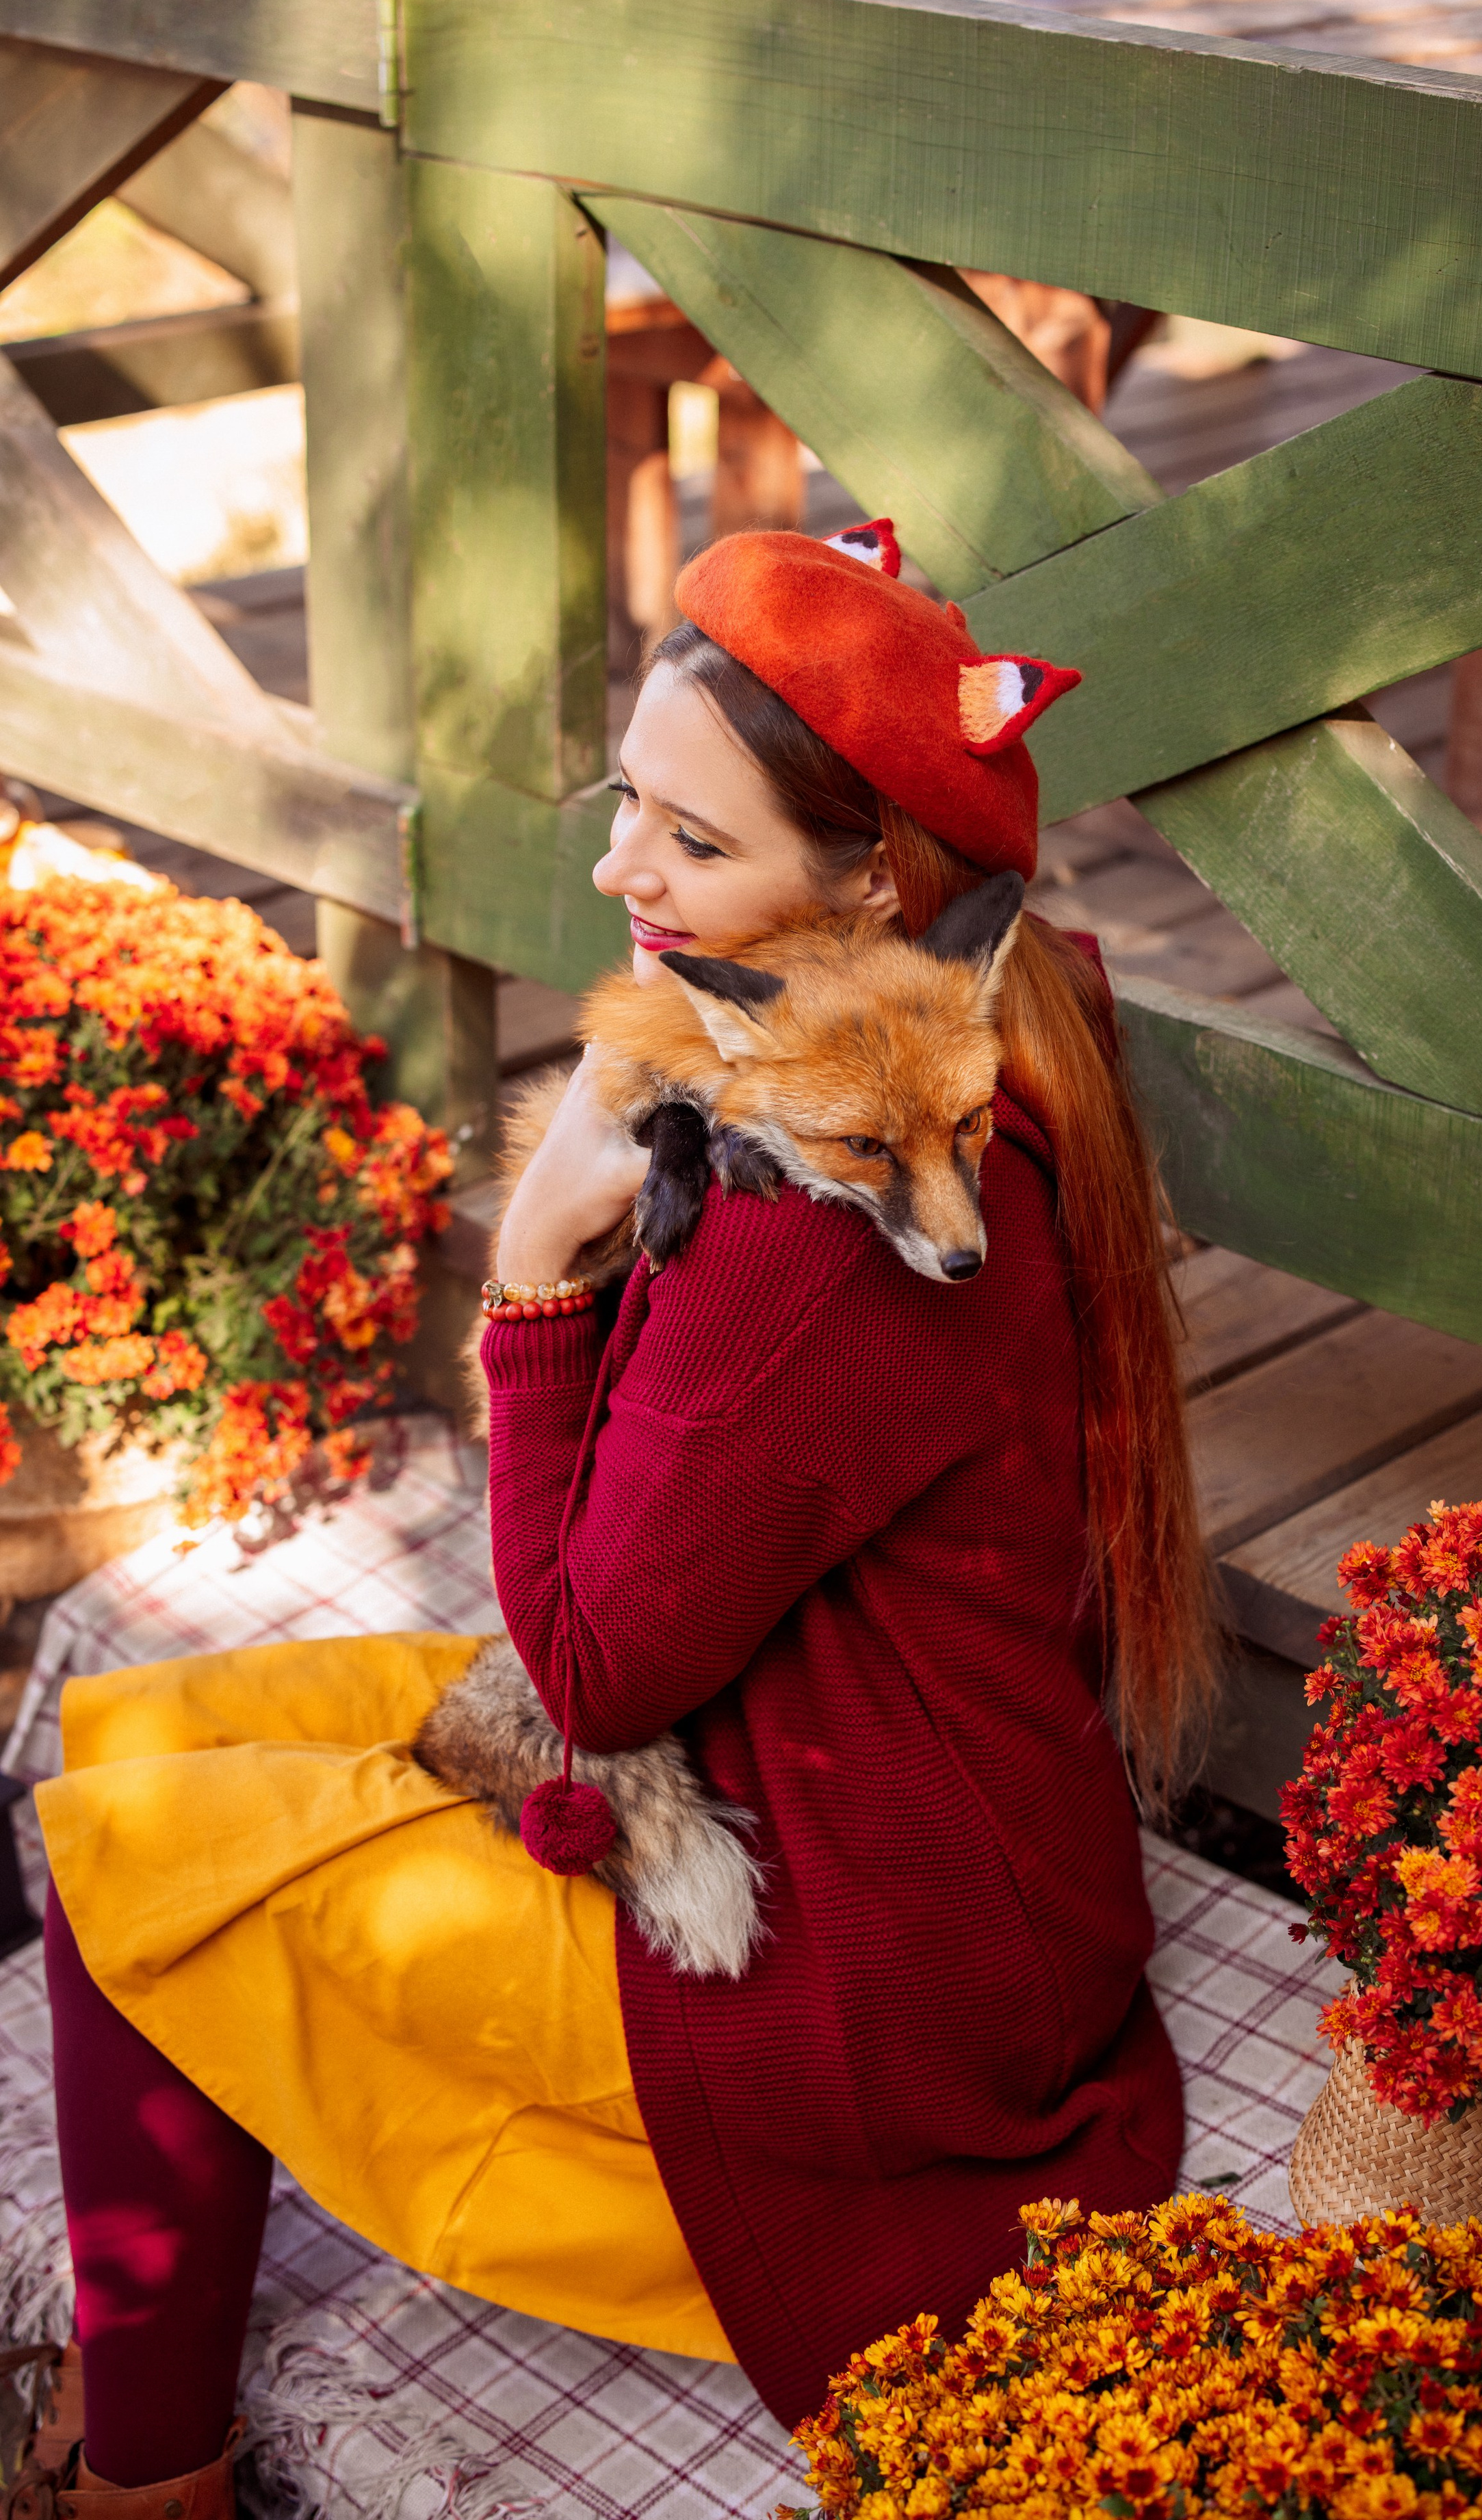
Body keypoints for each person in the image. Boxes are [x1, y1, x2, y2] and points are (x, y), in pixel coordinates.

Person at [13, 521, 1212, 2519]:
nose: (619, 872)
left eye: (693, 842)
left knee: (126, 1882)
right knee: (156, 1729)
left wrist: (546, 1262)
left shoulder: (822, 1227)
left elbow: (587, 1660)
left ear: (868, 889)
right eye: (627, 805)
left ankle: (151, 2484)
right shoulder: (975, 1027)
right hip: (954, 1837)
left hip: (871, 1968)